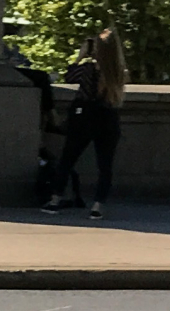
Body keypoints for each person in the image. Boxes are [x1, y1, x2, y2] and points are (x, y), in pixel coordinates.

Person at [44, 28, 126, 220]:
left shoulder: (88, 69)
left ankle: (55, 199)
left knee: (68, 159)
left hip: (84, 118)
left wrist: (79, 57)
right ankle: (98, 205)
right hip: (108, 118)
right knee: (105, 166)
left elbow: (70, 77)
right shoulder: (118, 72)